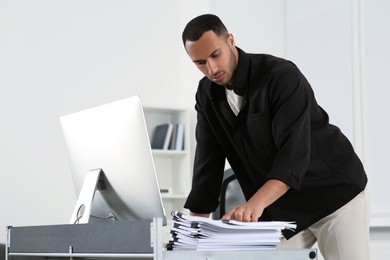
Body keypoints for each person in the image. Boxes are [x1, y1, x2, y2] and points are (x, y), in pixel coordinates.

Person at [181, 14, 369, 260]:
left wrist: (254, 205)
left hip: (332, 194)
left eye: (215, 55)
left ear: (230, 41)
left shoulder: (281, 76)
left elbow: (292, 158)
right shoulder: (206, 94)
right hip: (282, 208)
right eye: (200, 63)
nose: (212, 69)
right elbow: (207, 163)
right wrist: (189, 237)